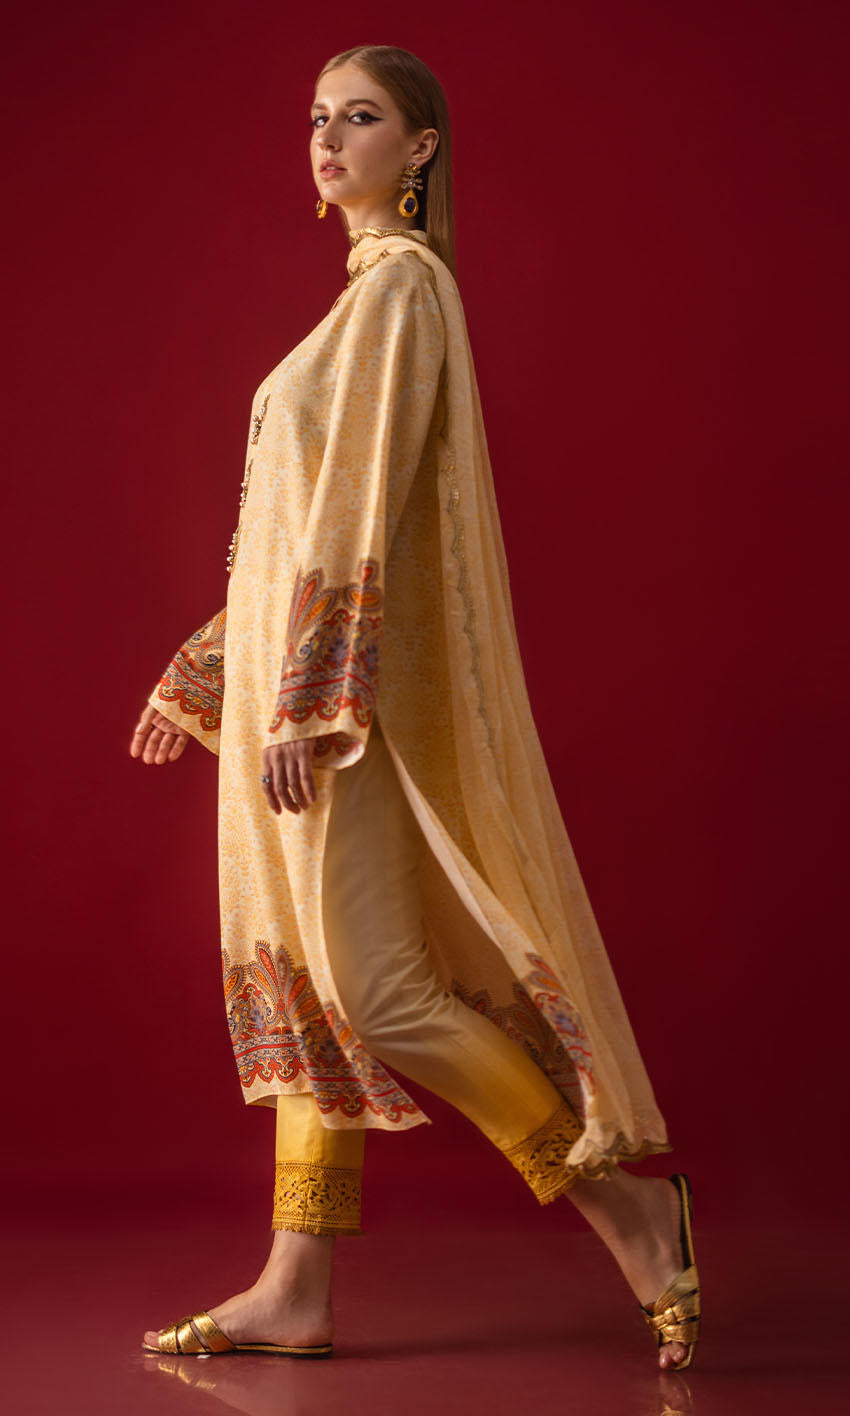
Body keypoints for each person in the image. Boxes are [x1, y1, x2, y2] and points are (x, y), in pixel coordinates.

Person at [130, 44, 701, 1371]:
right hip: (288, 692)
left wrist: (305, 697)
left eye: (362, 117)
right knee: (305, 989)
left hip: (334, 709)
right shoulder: (355, 303)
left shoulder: (398, 291)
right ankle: (295, 1286)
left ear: (421, 147)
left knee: (378, 995)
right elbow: (289, 534)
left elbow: (359, 509)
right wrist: (212, 665)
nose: (328, 139)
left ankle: (630, 1211)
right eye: (316, 118)